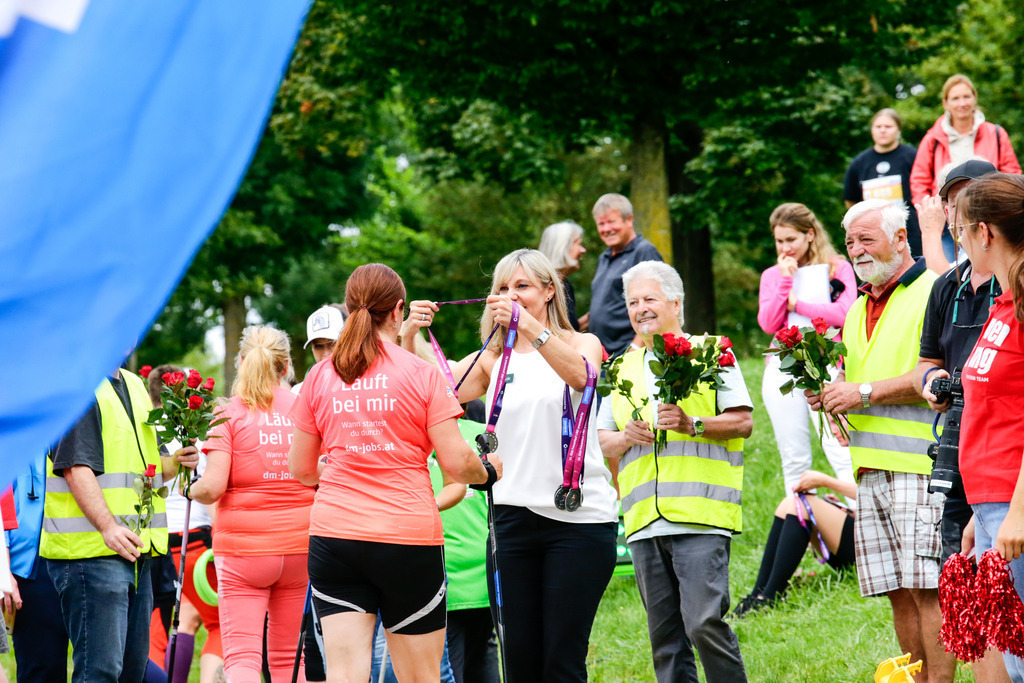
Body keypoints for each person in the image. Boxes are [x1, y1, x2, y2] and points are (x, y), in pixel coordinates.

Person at [406, 249, 618, 683]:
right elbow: (442, 389)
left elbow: (583, 377)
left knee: (561, 659)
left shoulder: (582, 343)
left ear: (548, 290)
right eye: (502, 288)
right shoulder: (494, 355)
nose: (510, 295)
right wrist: (411, 338)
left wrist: (531, 329)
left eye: (521, 286)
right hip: (511, 520)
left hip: (578, 521)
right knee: (519, 660)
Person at [288, 263, 500, 683]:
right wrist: (489, 471)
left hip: (335, 536)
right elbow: (457, 463)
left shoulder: (319, 375)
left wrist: (338, 478)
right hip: (406, 537)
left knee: (345, 676)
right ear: (398, 310)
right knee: (420, 677)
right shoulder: (421, 373)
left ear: (350, 310)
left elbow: (301, 469)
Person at [806, 199, 954, 683]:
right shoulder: (856, 308)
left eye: (866, 239)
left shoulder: (934, 289)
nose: (856, 250)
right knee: (897, 590)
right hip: (870, 467)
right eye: (849, 242)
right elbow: (856, 377)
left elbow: (938, 379)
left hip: (923, 466)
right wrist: (832, 399)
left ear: (900, 238)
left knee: (928, 588)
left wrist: (862, 393)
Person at [596, 259, 752, 682]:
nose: (640, 308)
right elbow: (603, 441)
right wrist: (626, 436)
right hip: (644, 519)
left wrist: (692, 424)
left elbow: (743, 422)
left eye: (649, 298)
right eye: (632, 302)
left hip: (701, 514)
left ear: (675, 303)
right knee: (664, 640)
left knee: (704, 623)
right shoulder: (618, 368)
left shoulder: (712, 352)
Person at [912, 160, 1011, 683]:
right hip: (960, 449)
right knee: (967, 587)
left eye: (969, 199)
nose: (957, 212)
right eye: (950, 201)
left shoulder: (1014, 285)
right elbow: (927, 359)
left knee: (1005, 600)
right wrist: (931, 383)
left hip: (1006, 462)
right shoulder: (947, 284)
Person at [40, 363, 200, 683]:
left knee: (131, 673)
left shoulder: (134, 385)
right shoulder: (77, 383)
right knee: (99, 672)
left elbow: (147, 470)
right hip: (92, 553)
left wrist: (177, 461)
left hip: (135, 552)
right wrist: (108, 527)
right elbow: (75, 468)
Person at [188, 326, 314, 683]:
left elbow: (211, 488)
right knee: (292, 657)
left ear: (241, 361)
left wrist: (189, 489)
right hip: (299, 547)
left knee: (242, 656)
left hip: (244, 552)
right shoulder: (306, 408)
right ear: (287, 365)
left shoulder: (228, 413)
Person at [954, 172, 1024, 681]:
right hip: (994, 503)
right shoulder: (1001, 301)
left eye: (960, 231)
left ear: (985, 233)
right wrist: (981, 514)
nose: (958, 242)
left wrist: (1016, 513)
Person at [757, 202, 857, 494]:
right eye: (779, 241)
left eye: (791, 239)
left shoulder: (837, 267)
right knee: (793, 455)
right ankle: (803, 525)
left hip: (825, 359)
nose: (785, 247)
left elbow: (846, 313)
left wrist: (798, 304)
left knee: (840, 447)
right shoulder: (772, 275)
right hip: (783, 363)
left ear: (810, 234)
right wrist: (786, 281)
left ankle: (856, 517)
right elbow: (768, 322)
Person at [145, 364, 223, 683]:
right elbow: (212, 492)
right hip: (196, 541)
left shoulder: (144, 430)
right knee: (219, 624)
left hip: (158, 541)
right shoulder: (191, 434)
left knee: (164, 624)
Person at [734, 470, 857, 616]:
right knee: (789, 502)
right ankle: (757, 595)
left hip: (878, 551)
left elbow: (878, 495)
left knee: (801, 505)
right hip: (868, 533)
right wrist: (845, 510)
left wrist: (825, 481)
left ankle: (769, 598)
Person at [4, 453, 69, 683]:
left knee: (106, 667)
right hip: (30, 564)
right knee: (42, 670)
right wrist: (4, 571)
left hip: (91, 553)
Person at [910, 74, 1020, 208]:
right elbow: (919, 182)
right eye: (955, 98)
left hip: (988, 209)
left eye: (966, 97)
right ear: (945, 103)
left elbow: (1011, 175)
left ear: (975, 98)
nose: (962, 103)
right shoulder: (932, 139)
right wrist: (931, 211)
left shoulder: (996, 133)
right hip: (947, 216)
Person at [583, 193, 663, 356]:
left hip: (628, 353)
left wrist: (634, 348)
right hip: (602, 355)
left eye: (611, 222)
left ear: (629, 220)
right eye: (601, 224)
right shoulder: (604, 258)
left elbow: (657, 305)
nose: (606, 229)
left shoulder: (644, 251)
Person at [844, 108, 922, 255]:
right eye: (878, 127)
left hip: (911, 232)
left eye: (888, 127)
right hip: (873, 234)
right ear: (872, 130)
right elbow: (850, 200)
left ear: (898, 130)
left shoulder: (913, 156)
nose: (883, 131)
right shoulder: (860, 162)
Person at [538, 220, 587, 331]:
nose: (583, 250)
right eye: (578, 244)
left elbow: (566, 330)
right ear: (563, 248)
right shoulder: (538, 285)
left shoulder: (566, 285)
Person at [293, 304, 346, 395]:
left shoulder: (362, 384)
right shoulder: (298, 391)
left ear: (346, 341)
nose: (326, 353)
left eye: (332, 344)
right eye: (318, 346)